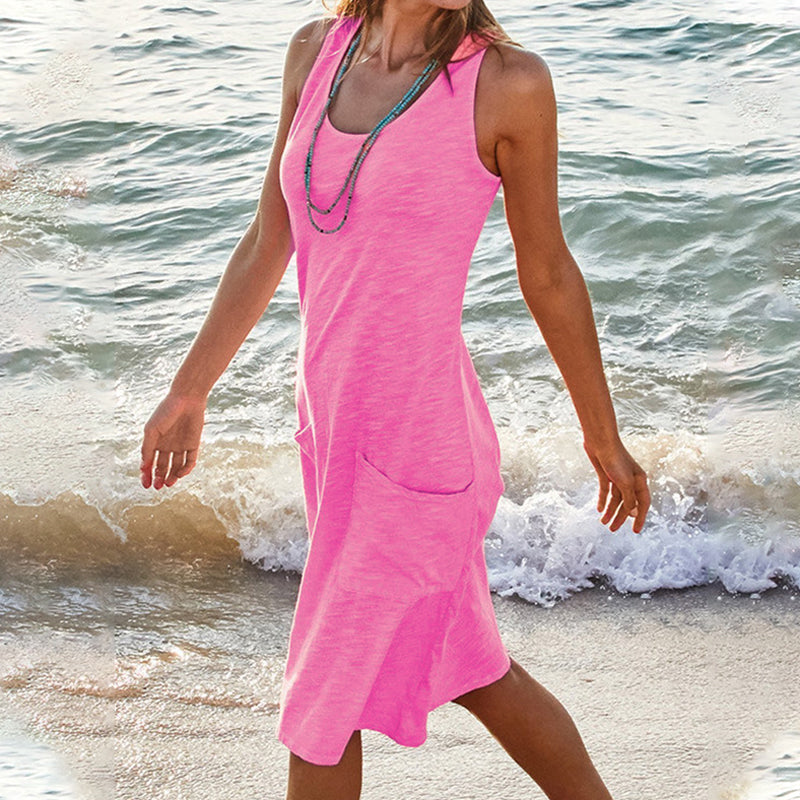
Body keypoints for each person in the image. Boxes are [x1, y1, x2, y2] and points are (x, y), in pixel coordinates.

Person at [139, 1, 652, 798]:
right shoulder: (317, 51)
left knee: (323, 704)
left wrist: (602, 435)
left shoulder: (505, 83)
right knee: (477, 670)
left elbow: (548, 271)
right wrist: (189, 389)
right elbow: (270, 238)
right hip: (333, 434)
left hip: (420, 449)